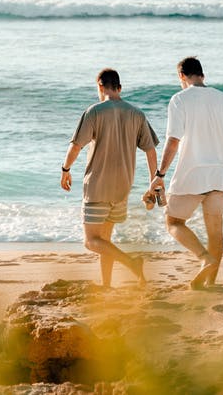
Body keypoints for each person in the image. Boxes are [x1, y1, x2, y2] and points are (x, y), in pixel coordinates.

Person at [151, 57, 223, 289]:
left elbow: (173, 141)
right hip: (220, 175)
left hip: (192, 174)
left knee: (173, 222)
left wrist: (160, 174)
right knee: (215, 233)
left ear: (181, 77)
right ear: (202, 75)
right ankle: (208, 283)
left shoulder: (179, 99)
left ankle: (204, 259)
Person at [61, 68, 159, 286]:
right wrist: (153, 183)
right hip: (122, 187)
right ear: (119, 88)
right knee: (105, 240)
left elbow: (76, 147)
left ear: (100, 86)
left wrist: (65, 169)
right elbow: (151, 151)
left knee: (91, 241)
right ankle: (106, 285)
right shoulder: (137, 113)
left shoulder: (94, 111)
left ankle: (132, 263)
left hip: (98, 186)